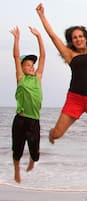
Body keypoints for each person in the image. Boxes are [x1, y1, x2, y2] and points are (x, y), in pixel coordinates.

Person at [35, 0, 87, 144]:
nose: (78, 39)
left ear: (86, 37)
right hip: (75, 98)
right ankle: (52, 133)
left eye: (80, 36)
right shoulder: (69, 54)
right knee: (57, 135)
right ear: (72, 40)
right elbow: (53, 36)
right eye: (75, 37)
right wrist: (42, 16)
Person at [10, 26, 45, 183]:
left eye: (32, 65)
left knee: (35, 152)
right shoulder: (21, 78)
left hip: (34, 120)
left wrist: (38, 36)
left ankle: (32, 160)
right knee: (17, 149)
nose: (31, 67)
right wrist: (17, 39)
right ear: (22, 68)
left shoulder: (37, 77)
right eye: (28, 65)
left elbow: (43, 56)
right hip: (21, 119)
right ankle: (17, 170)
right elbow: (16, 56)